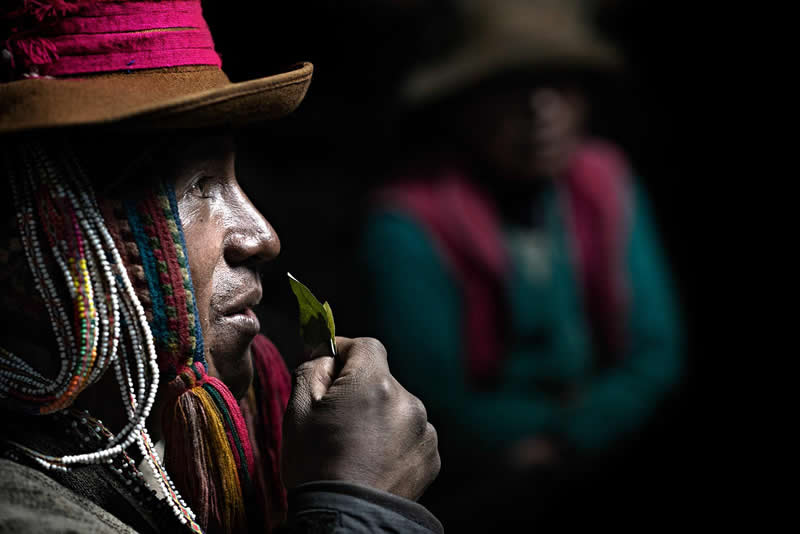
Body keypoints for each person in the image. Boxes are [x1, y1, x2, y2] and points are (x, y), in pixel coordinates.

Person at [0, 2, 441, 533]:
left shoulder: (193, 430)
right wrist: (360, 505)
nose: (263, 237)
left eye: (233, 179)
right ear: (44, 234)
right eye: (199, 186)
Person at [360, 0, 683, 526]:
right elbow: (430, 394)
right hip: (481, 479)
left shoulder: (605, 182)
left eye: (560, 84)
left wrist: (570, 436)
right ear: (464, 104)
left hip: (603, 451)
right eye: (511, 86)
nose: (540, 107)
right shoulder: (408, 221)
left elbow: (657, 350)